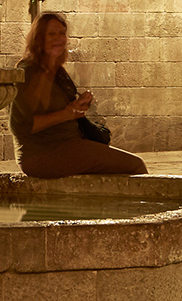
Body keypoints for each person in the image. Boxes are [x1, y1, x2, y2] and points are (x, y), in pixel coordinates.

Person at [11, 11, 148, 178]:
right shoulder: (29, 72)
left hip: (69, 144)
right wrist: (67, 114)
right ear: (39, 38)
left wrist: (82, 101)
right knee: (135, 166)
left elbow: (69, 109)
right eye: (51, 33)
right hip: (44, 153)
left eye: (62, 33)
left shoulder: (57, 71)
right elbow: (23, 126)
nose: (58, 38)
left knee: (121, 164)